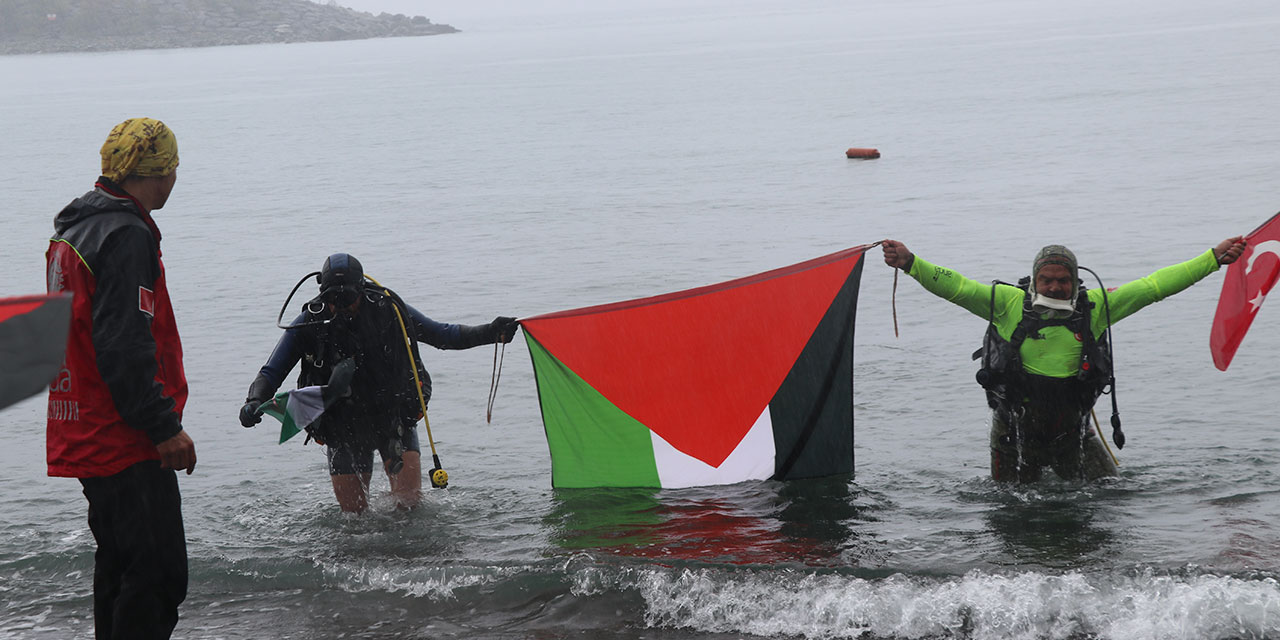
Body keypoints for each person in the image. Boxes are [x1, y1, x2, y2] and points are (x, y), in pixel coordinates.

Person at [881, 236, 1246, 483]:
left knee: (1110, 498)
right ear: (1034, 281)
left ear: (1075, 280)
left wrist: (1212, 259)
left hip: (1073, 433)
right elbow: (956, 287)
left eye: (1063, 280)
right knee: (1007, 510)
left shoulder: (1097, 307)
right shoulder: (1006, 303)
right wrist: (911, 262)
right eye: (1046, 280)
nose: (1055, 287)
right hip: (1013, 435)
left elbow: (1155, 286)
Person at [46, 117, 197, 639]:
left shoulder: (75, 228)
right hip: (124, 436)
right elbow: (123, 344)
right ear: (156, 172)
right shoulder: (125, 234)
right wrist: (162, 426)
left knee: (118, 565)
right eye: (173, 167)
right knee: (157, 574)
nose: (176, 177)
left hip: (82, 422)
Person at [239, 253, 518, 513]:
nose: (341, 306)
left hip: (393, 416)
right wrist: (254, 400)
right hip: (342, 424)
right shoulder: (311, 322)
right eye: (333, 298)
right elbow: (272, 370)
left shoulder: (389, 310)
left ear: (361, 289)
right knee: (353, 518)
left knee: (409, 507)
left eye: (347, 297)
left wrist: (492, 332)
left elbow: (442, 335)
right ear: (322, 292)